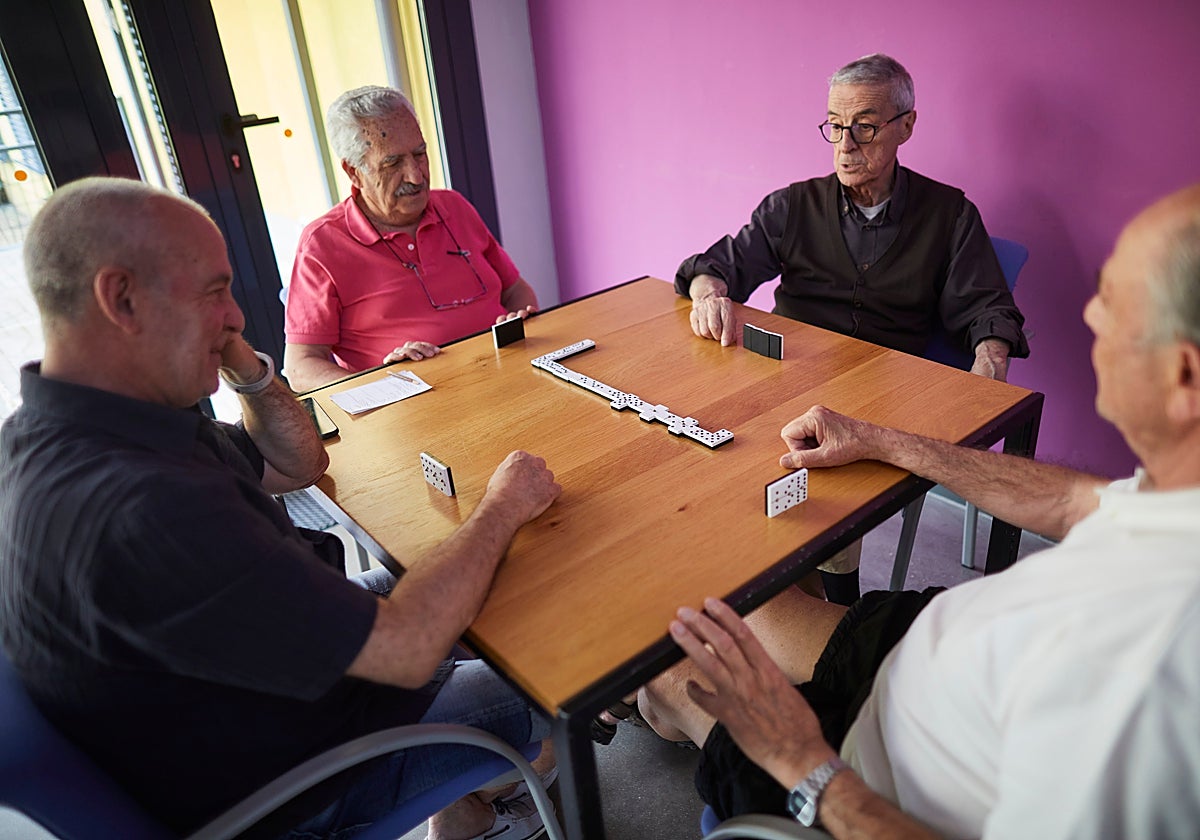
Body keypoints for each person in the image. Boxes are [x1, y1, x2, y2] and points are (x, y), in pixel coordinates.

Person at [0, 177, 562, 840]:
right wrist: (501, 504)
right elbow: (405, 648)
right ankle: (478, 802)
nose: (236, 315)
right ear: (121, 297)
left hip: (268, 687)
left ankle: (461, 810)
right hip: (307, 775)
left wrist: (244, 366)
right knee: (560, 677)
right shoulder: (144, 508)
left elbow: (298, 464)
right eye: (215, 292)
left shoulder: (70, 429)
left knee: (495, 574)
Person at [642, 183, 1200, 838]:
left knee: (666, 681)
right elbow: (1078, 499)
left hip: (857, 775)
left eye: (1115, 301)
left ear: (1182, 378)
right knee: (744, 602)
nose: (1092, 316)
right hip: (931, 648)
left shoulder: (1150, 681)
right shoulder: (1177, 503)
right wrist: (885, 441)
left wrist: (799, 758)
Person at [676, 53, 1029, 606]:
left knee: (823, 497)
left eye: (864, 126)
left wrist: (989, 363)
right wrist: (709, 295)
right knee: (705, 460)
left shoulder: (950, 215)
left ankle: (833, 613)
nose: (845, 144)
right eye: (835, 126)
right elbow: (714, 265)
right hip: (783, 383)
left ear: (906, 126)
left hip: (878, 401)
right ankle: (756, 595)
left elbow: (988, 308)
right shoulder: (791, 207)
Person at [283, 85, 540, 393]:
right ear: (354, 172)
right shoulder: (321, 245)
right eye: (392, 164)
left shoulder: (454, 206)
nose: (416, 177)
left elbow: (517, 291)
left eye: (420, 154)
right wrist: (378, 386)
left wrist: (522, 321)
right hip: (414, 413)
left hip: (511, 382)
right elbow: (301, 367)